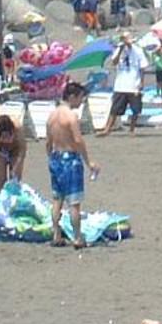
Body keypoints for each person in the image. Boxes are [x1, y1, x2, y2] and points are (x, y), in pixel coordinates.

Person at [45, 82, 99, 249]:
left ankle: (56, 234)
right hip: (70, 159)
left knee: (57, 199)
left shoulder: (52, 116)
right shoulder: (71, 116)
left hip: (56, 157)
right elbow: (77, 140)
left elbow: (48, 143)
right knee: (74, 202)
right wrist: (88, 161)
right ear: (72, 96)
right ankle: (77, 237)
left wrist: (51, 158)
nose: (81, 102)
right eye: (80, 98)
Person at [101, 31, 147, 134]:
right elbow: (114, 62)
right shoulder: (118, 50)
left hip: (134, 84)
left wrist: (142, 83)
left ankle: (132, 129)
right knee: (114, 109)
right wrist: (121, 49)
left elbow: (143, 67)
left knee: (135, 109)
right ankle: (107, 129)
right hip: (120, 85)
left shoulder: (138, 51)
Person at [0, 111, 26, 193]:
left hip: (15, 148)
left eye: (7, 137)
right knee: (0, 182)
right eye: (2, 137)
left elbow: (22, 149)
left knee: (14, 181)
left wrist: (17, 164)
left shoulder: (18, 127)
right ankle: (1, 200)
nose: (5, 141)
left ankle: (13, 200)